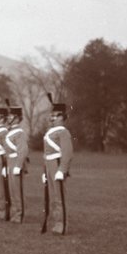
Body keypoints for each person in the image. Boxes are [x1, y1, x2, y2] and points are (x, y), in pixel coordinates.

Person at [41, 97, 74, 235]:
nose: (52, 118)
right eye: (52, 115)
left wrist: (62, 169)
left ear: (62, 117)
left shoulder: (63, 132)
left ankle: (62, 225)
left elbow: (67, 152)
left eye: (55, 116)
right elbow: (46, 154)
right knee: (53, 197)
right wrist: (44, 171)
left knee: (59, 197)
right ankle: (55, 223)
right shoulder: (51, 132)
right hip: (50, 165)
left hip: (58, 164)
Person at [4, 105, 30, 222]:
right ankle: (14, 214)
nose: (9, 118)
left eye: (11, 116)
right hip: (10, 162)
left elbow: (23, 150)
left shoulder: (19, 133)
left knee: (17, 191)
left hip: (16, 162)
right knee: (12, 191)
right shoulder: (11, 132)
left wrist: (18, 165)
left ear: (17, 118)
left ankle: (19, 214)